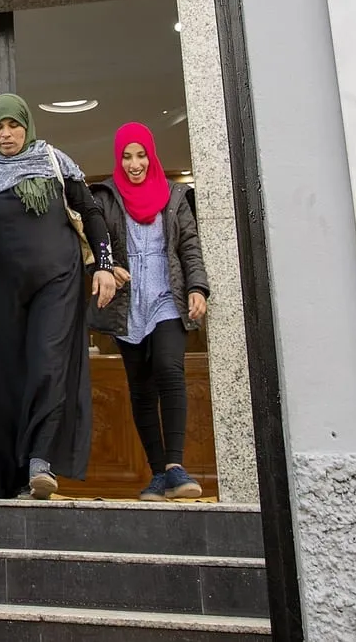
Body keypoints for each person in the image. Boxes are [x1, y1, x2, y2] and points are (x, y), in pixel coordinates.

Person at [0, 94, 117, 500]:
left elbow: (91, 213)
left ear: (27, 125)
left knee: (47, 363)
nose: (6, 135)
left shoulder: (54, 162)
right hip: (1, 291)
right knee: (6, 377)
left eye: (13, 125)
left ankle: (41, 461)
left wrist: (104, 265)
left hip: (58, 281)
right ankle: (11, 473)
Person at [89, 121, 211, 502]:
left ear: (151, 155)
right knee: (140, 389)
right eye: (127, 156)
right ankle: (158, 474)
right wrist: (105, 266)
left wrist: (197, 286)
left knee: (169, 370)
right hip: (129, 305)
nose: (134, 163)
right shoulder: (106, 198)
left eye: (141, 155)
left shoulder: (175, 197)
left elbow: (189, 245)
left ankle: (175, 466)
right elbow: (92, 243)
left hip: (166, 298)